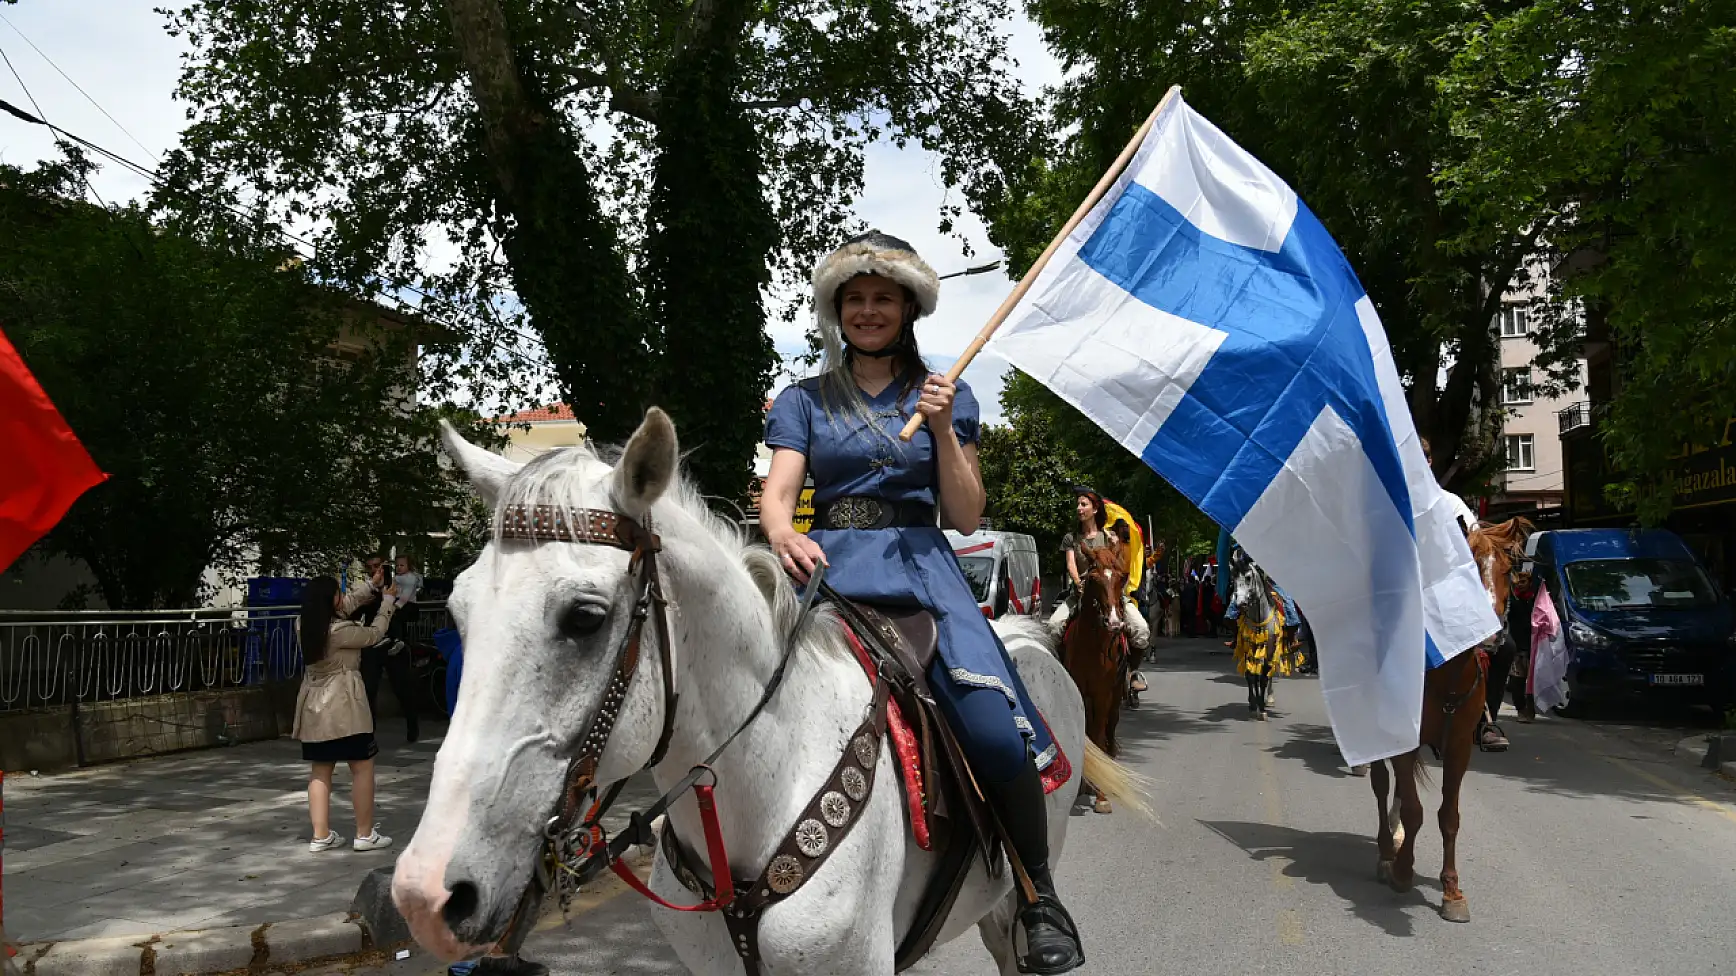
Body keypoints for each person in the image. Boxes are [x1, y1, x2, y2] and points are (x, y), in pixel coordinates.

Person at [760, 231, 1083, 974]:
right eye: (855, 299)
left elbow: (967, 516)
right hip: (826, 575)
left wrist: (941, 427)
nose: (868, 310)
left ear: (908, 308)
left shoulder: (950, 392)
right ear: (837, 311)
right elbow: (778, 498)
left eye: (883, 298)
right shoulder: (803, 400)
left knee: (997, 736)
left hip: (923, 580)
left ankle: (1039, 898)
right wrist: (782, 534)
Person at [294, 575, 400, 853]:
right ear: (331, 601)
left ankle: (320, 836)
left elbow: (345, 604)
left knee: (320, 769)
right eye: (338, 594)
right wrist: (387, 602)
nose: (343, 598)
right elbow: (374, 634)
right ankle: (364, 835)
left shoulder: (304, 624)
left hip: (314, 708)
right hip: (345, 705)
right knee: (362, 766)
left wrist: (370, 585)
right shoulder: (340, 631)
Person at [1049, 488, 1151, 657]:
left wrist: (1116, 546)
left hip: (1111, 594)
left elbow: (1119, 568)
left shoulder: (1109, 536)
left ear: (1095, 509)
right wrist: (1077, 582)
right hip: (1081, 593)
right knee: (1053, 627)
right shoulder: (1071, 538)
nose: (1079, 508)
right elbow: (1071, 564)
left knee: (1141, 629)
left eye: (1084, 504)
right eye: (1078, 505)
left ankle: (1132, 672)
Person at [358, 554, 420, 744]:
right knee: (368, 688)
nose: (374, 570)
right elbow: (355, 611)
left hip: (393, 644)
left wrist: (394, 610)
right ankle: (368, 732)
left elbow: (412, 612)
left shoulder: (398, 586)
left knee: (402, 686)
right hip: (372, 643)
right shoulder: (366, 590)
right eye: (370, 567)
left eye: (377, 566)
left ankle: (412, 726)